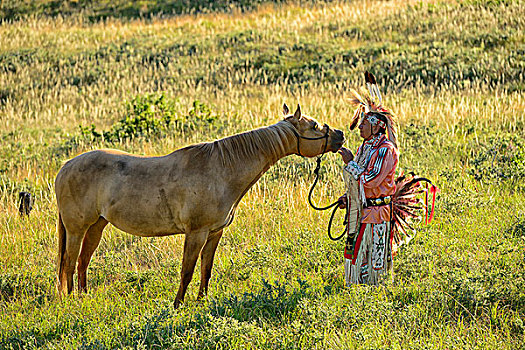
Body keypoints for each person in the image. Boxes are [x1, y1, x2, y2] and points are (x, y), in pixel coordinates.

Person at [338, 72, 399, 286]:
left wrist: (349, 163)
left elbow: (371, 179)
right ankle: (357, 291)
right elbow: (359, 180)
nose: (360, 127)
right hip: (361, 211)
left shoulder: (386, 150)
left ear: (377, 125)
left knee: (375, 257)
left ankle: (375, 292)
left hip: (377, 214)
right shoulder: (365, 147)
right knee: (357, 254)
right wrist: (347, 197)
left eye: (365, 123)